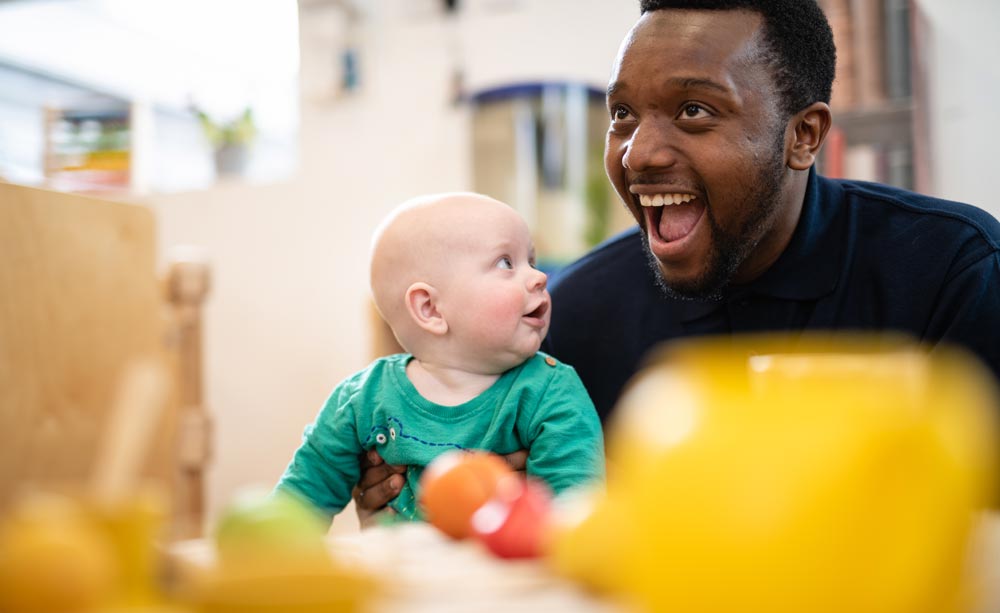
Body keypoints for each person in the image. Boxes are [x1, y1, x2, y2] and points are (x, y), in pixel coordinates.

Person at [355, 0, 1000, 515]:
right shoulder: (578, 315)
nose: (637, 153)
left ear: (803, 136)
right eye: (623, 114)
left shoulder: (950, 273)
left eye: (693, 110)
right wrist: (421, 495)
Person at [275, 192, 605, 526]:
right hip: (399, 577)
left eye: (531, 261)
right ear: (430, 309)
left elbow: (574, 520)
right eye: (506, 262)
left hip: (507, 578)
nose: (539, 277)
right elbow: (295, 510)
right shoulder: (361, 399)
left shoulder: (551, 392)